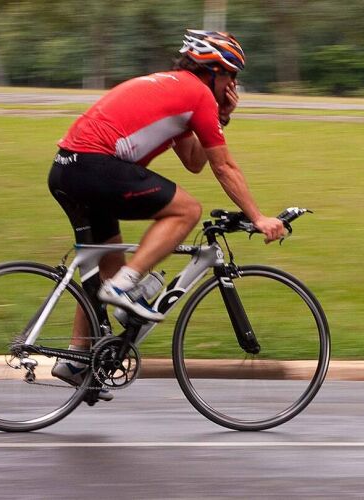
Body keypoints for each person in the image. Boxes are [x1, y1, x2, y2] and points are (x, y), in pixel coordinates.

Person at [47, 30, 285, 392]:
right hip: (93, 166)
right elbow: (224, 167)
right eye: (231, 76)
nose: (234, 85)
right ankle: (127, 290)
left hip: (69, 167)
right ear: (213, 71)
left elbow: (193, 161)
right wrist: (258, 216)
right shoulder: (196, 93)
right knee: (187, 210)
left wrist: (221, 116)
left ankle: (77, 359)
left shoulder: (178, 91)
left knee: (104, 264)